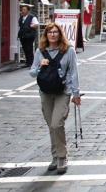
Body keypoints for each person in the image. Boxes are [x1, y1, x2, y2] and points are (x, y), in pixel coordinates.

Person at [30, 22, 81, 175]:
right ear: (46, 35)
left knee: (57, 123)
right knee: (51, 125)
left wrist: (76, 94)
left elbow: (73, 73)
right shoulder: (40, 51)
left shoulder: (69, 51)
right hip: (45, 92)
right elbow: (32, 72)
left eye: (55, 32)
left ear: (60, 34)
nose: (53, 34)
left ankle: (62, 157)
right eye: (50, 32)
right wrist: (40, 66)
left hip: (62, 91)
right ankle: (55, 156)